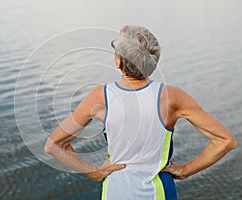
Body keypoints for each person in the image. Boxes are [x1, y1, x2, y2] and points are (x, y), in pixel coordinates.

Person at [44, 25, 237, 200]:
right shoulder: (172, 97)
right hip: (159, 192)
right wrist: (185, 170)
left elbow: (54, 145)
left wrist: (93, 172)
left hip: (115, 192)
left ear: (118, 63)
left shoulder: (99, 97)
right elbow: (225, 141)